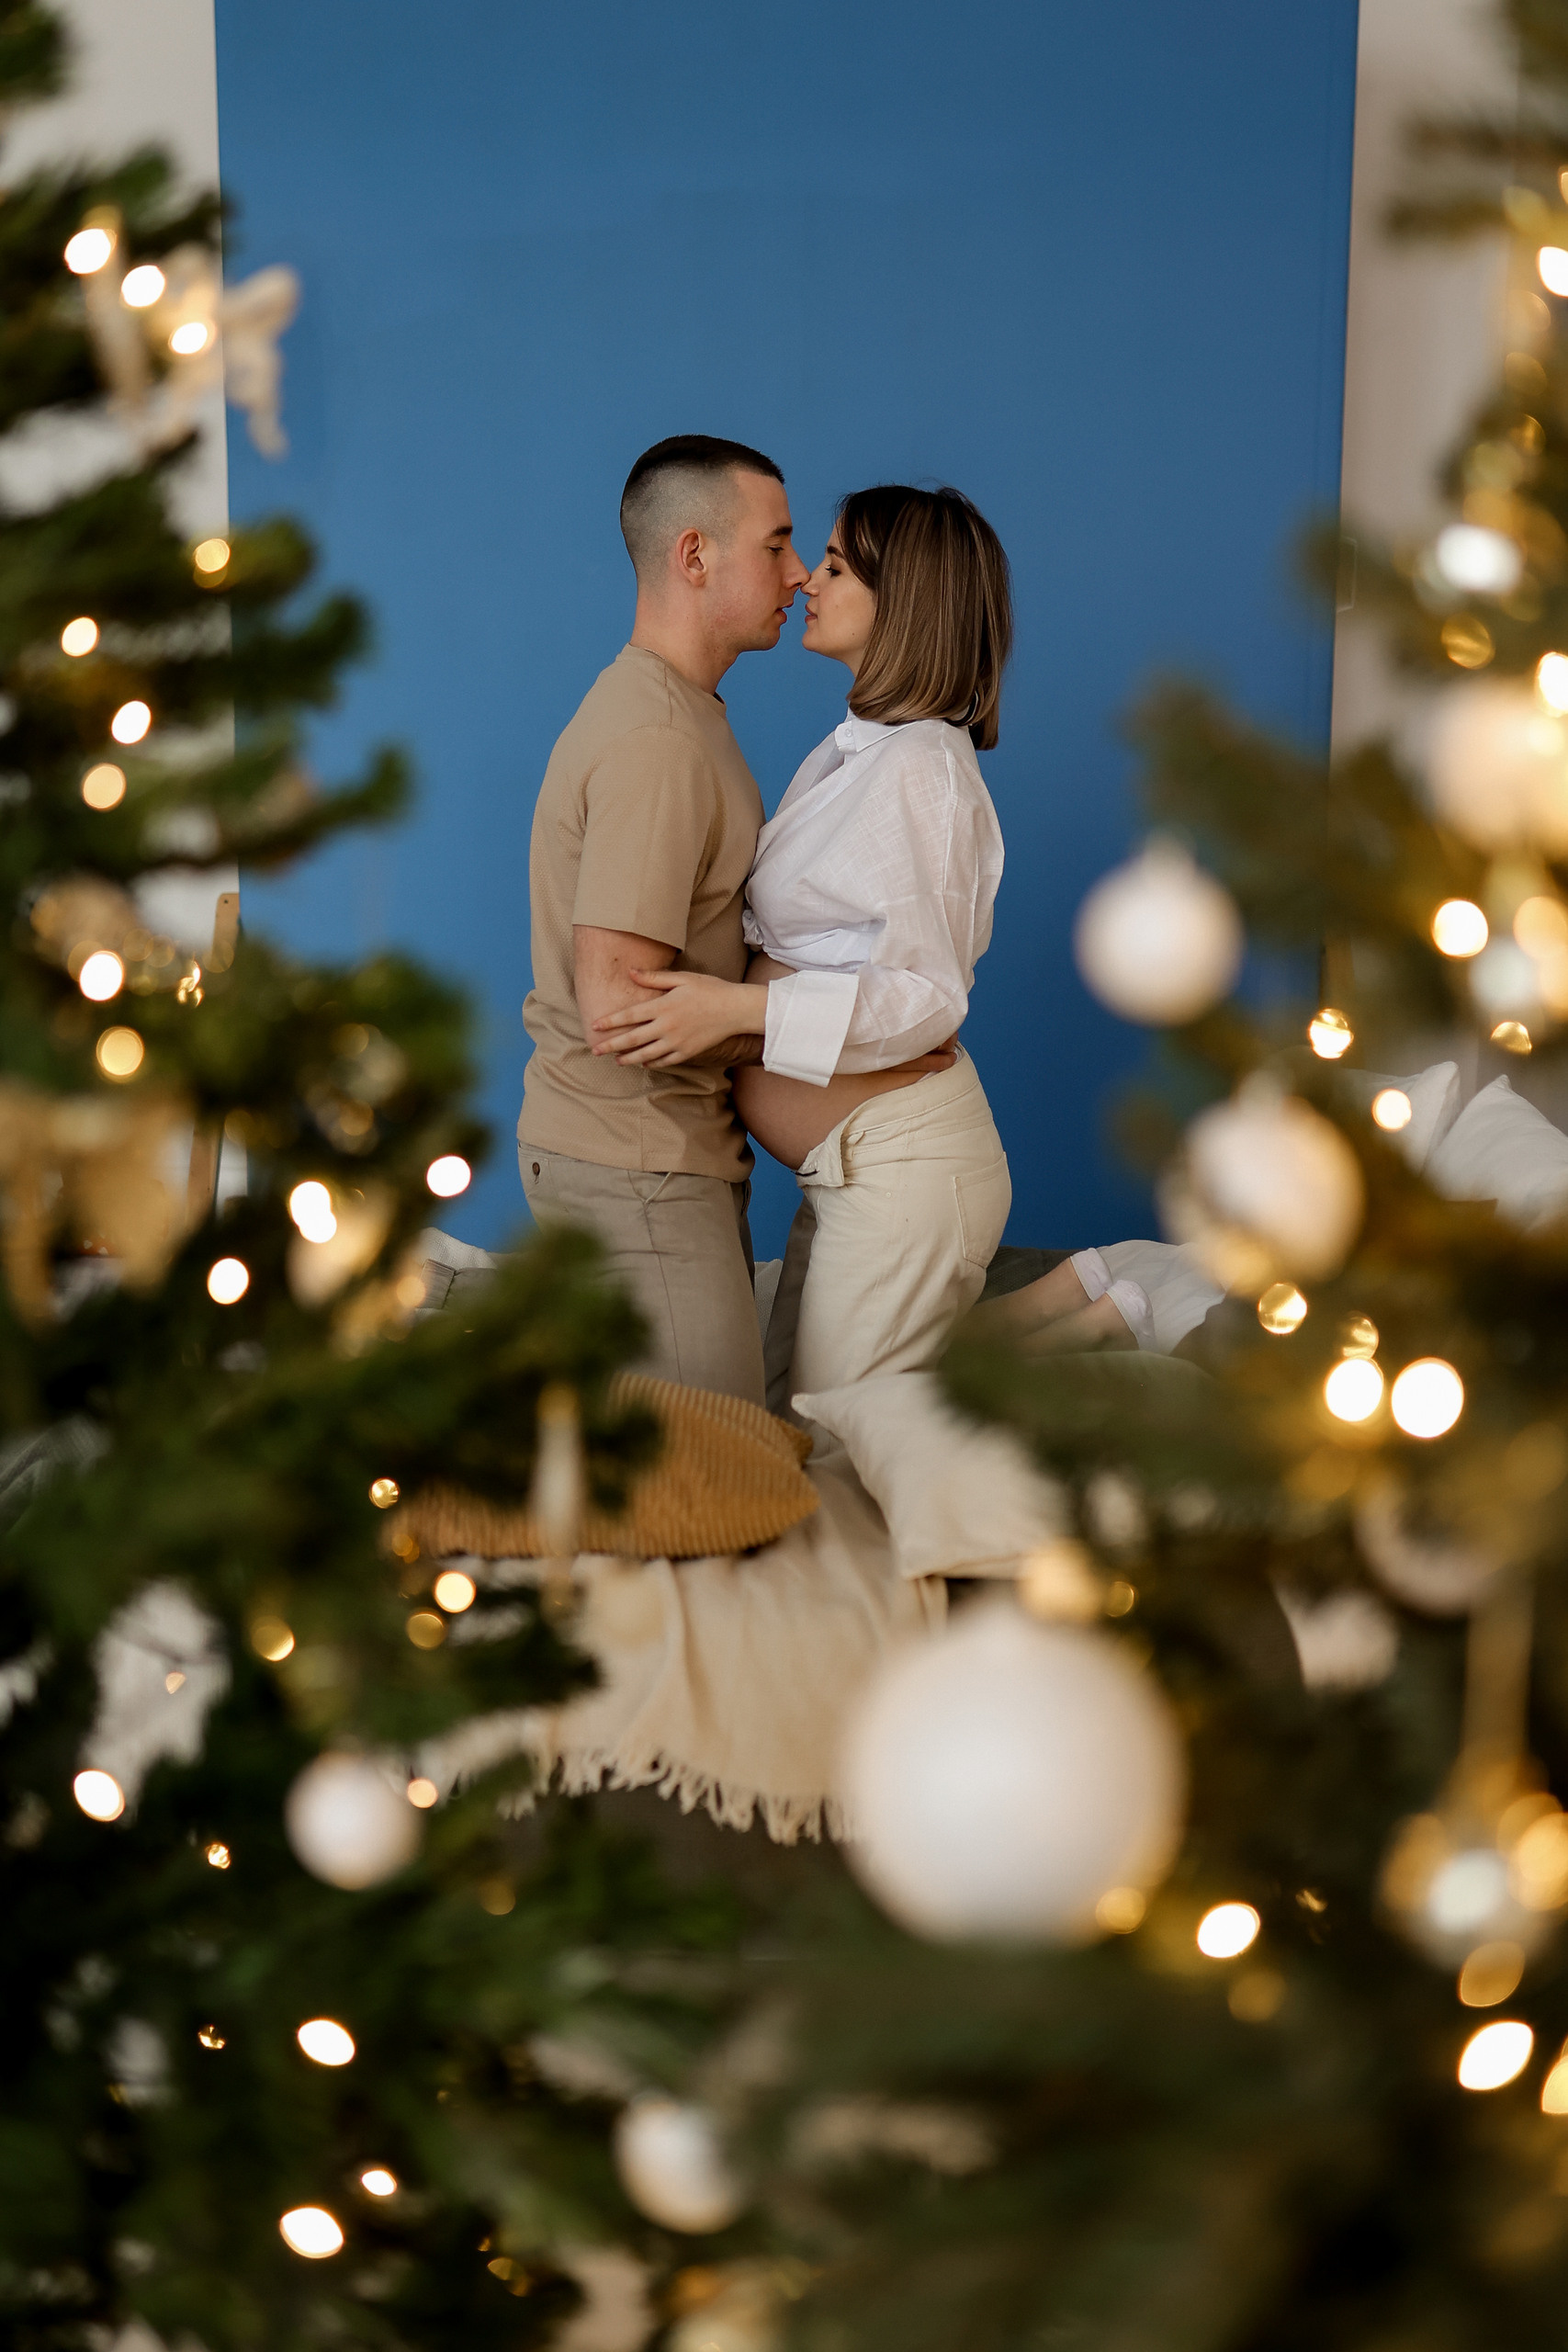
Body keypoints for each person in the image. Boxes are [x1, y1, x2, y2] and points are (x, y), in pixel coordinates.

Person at [592, 483, 1014, 1420]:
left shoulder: (923, 771)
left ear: (903, 601)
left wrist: (737, 1011)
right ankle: (1056, 1321)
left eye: (834, 566)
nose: (805, 582)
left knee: (844, 1451)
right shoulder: (860, 752)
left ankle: (1081, 1324)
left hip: (900, 1171)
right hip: (854, 1167)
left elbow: (925, 996)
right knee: (788, 1424)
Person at [517, 434, 807, 1405]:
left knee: (723, 1460)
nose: (797, 574)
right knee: (715, 1471)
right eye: (776, 544)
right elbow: (617, 1008)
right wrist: (812, 1028)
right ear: (694, 555)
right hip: (634, 1169)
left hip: (657, 1162)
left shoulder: (681, 714)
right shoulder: (658, 741)